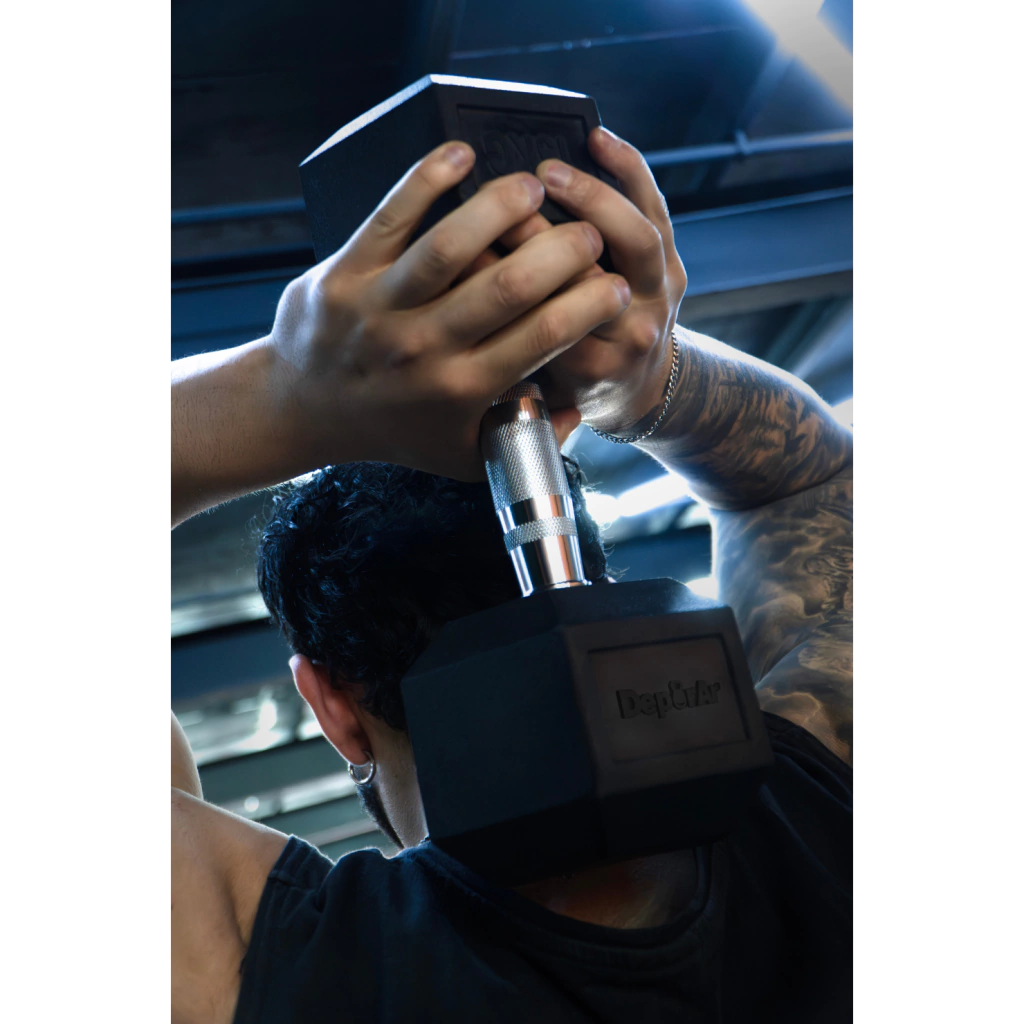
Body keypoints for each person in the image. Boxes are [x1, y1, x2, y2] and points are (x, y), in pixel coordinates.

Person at [172, 128, 852, 1023]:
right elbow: (809, 484)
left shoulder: (244, 967)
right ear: (599, 591)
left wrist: (287, 394)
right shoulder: (821, 812)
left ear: (329, 704)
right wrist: (646, 382)